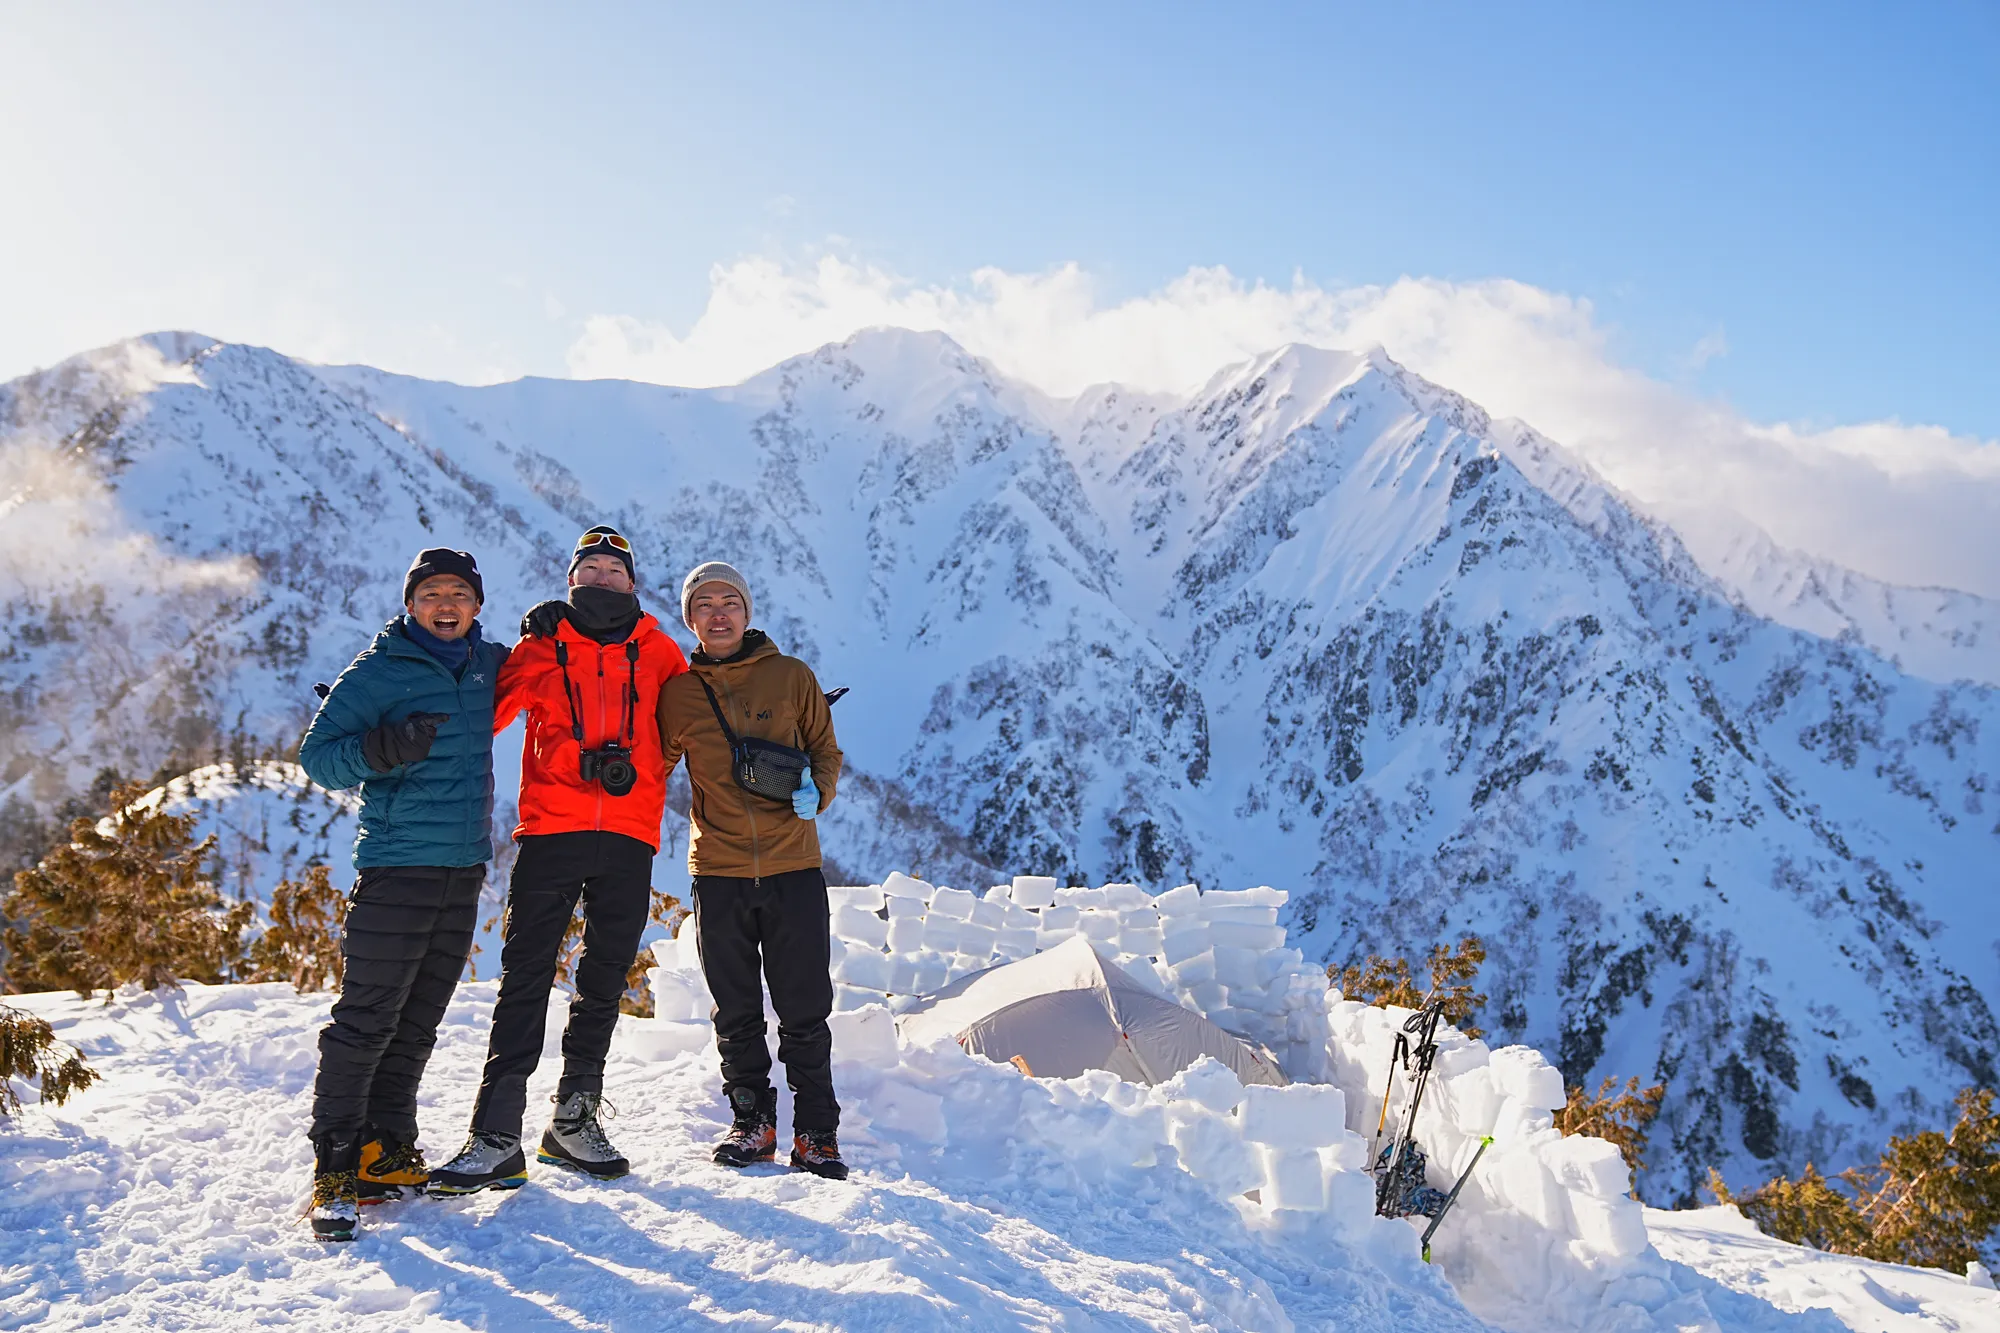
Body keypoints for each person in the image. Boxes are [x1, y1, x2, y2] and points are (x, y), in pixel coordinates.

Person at [430, 525, 689, 1194]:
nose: (602, 579)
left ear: (632, 583)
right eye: (590, 569)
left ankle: (572, 1120)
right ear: (572, 579)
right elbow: (478, 713)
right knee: (524, 978)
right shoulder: (541, 645)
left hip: (630, 835)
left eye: (614, 570)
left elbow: (700, 725)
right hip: (550, 831)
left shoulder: (662, 654)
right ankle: (494, 1136)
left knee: (602, 982)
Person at [296, 548, 510, 1242]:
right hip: (395, 867)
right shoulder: (378, 669)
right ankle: (333, 1170)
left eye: (459, 594)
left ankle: (383, 1149)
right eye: (432, 594)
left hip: (463, 869)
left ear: (477, 604)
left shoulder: (487, 665)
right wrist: (384, 748)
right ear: (410, 602)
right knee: (366, 1020)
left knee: (417, 1021)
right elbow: (318, 756)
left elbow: (551, 673)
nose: (446, 606)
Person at [658, 561, 849, 1179]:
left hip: (793, 864)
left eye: (730, 601)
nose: (719, 613)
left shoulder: (792, 676)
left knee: (804, 1006)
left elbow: (825, 748)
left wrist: (817, 793)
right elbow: (652, 763)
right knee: (734, 1007)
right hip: (718, 868)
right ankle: (752, 1123)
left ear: (747, 611)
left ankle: (817, 1133)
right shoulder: (679, 692)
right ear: (690, 619)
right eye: (704, 604)